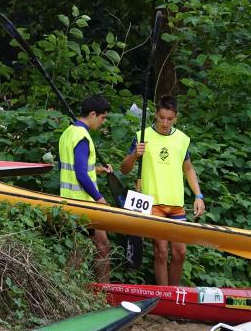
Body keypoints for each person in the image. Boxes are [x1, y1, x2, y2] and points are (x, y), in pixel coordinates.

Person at [120, 95, 205, 286]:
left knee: (180, 252)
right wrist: (135, 154)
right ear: (155, 115)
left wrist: (198, 196)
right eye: (161, 117)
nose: (165, 123)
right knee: (161, 250)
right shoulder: (142, 135)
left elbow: (189, 169)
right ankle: (163, 295)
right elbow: (124, 169)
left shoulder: (182, 139)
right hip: (152, 203)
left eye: (170, 119)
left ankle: (173, 296)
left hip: (176, 203)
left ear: (176, 117)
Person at [58, 94, 113, 282]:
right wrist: (99, 198)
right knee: (83, 252)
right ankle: (82, 294)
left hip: (70, 201)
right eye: (103, 117)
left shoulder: (68, 132)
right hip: (83, 204)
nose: (103, 122)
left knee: (99, 245)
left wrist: (97, 170)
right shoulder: (82, 136)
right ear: (92, 114)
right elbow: (80, 174)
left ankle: (100, 292)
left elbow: (73, 168)